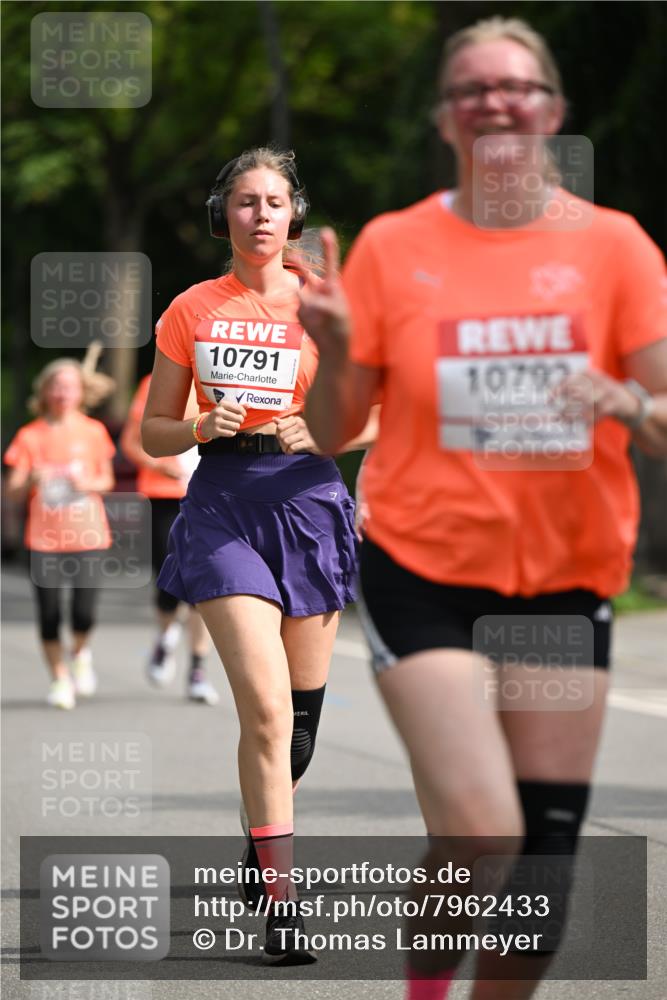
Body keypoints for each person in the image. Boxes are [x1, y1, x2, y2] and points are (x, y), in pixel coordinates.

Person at [302, 16, 667, 1000]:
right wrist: (334, 348)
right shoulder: (393, 246)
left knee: (541, 866)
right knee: (479, 827)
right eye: (471, 89)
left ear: (552, 110)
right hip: (422, 567)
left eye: (516, 86)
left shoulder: (618, 249)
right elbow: (335, 430)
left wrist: (626, 402)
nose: (495, 101)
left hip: (563, 577)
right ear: (443, 120)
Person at [141, 147, 376, 965]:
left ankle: (257, 843)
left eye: (274, 201)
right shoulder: (191, 308)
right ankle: (283, 905)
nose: (261, 215)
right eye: (245, 201)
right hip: (223, 509)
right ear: (224, 215)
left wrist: (330, 429)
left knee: (299, 728)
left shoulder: (325, 305)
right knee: (267, 715)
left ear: (294, 215)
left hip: (309, 505)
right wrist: (201, 428)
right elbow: (153, 431)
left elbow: (383, 406)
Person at [4, 359, 115, 710]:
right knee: (49, 614)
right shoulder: (30, 435)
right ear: (46, 391)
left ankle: (80, 654)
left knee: (84, 613)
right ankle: (59, 678)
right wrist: (30, 480)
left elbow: (106, 480)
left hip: (88, 535)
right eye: (57, 385)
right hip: (44, 539)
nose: (63, 392)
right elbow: (12, 492)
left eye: (70, 386)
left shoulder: (93, 431)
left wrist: (88, 483)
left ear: (81, 392)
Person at [121, 374, 218, 704]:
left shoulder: (226, 374)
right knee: (167, 582)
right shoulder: (154, 382)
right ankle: (165, 636)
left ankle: (197, 670)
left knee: (201, 585)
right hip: (163, 494)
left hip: (210, 493)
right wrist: (159, 467)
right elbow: (131, 442)